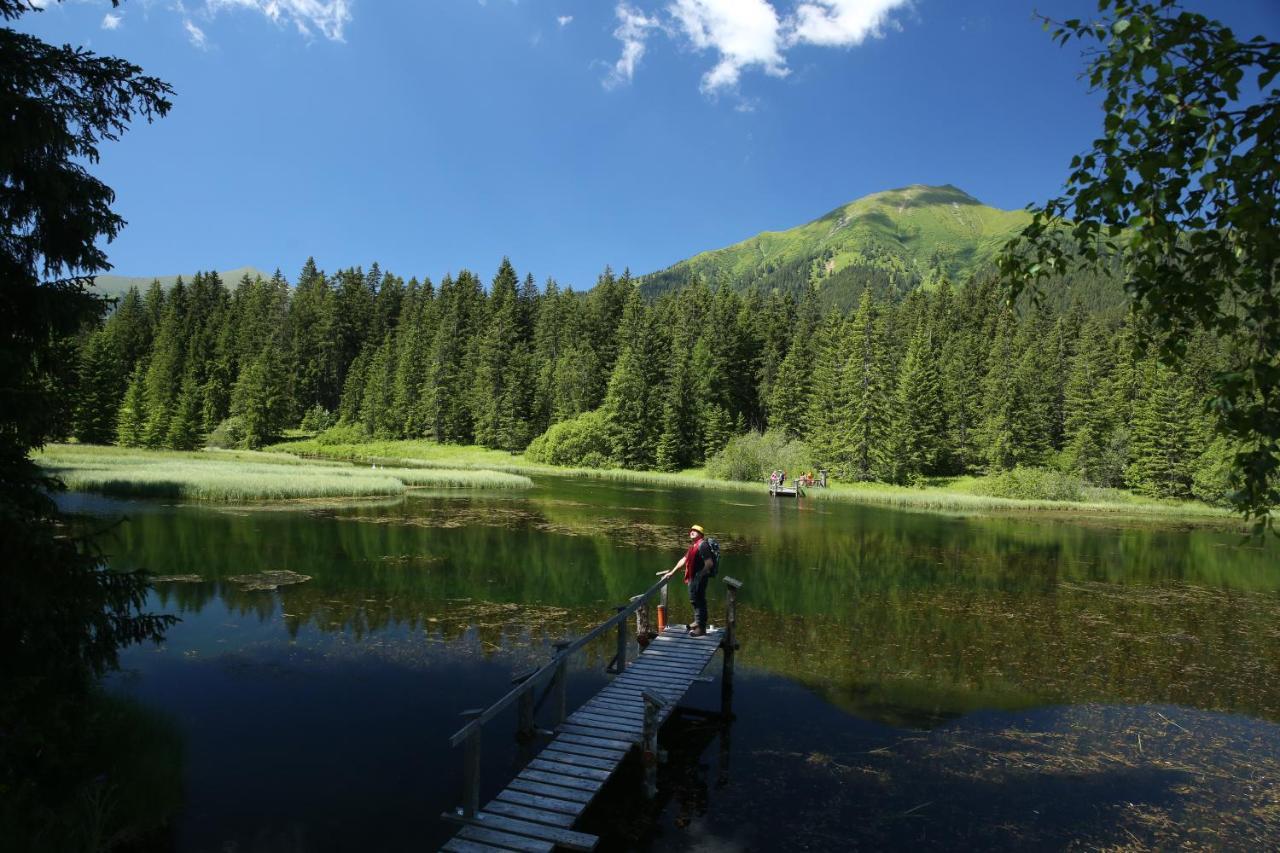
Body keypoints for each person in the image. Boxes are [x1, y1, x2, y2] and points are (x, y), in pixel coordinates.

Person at [670, 524, 715, 636]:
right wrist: (672, 572)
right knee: (695, 600)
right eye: (691, 530)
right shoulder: (693, 546)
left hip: (698, 579)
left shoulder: (703, 545)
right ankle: (697, 622)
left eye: (695, 531)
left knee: (699, 602)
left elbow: (709, 563)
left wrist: (700, 575)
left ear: (701, 534)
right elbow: (683, 560)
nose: (692, 532)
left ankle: (701, 629)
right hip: (693, 579)